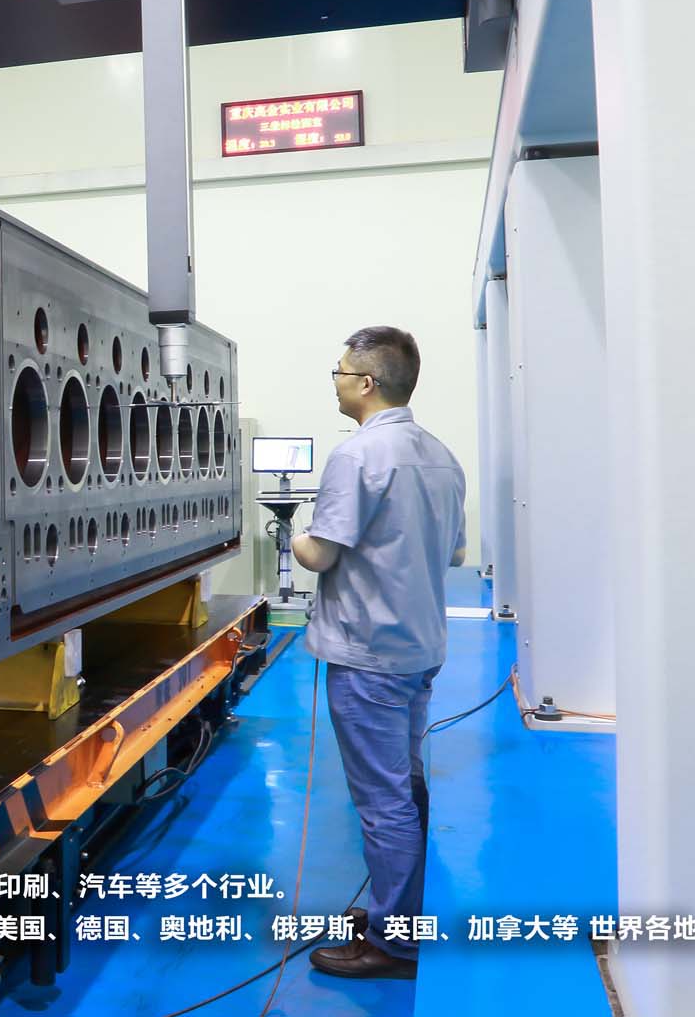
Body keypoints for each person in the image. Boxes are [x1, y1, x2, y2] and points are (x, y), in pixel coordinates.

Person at [290, 326, 467, 980]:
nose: (335, 382)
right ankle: (401, 911)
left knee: (382, 800)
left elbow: (321, 553)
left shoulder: (357, 456)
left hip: (367, 656)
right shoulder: (442, 456)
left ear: (366, 383)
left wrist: (295, 533)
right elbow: (455, 552)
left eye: (338, 372)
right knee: (406, 785)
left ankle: (394, 944)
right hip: (419, 649)